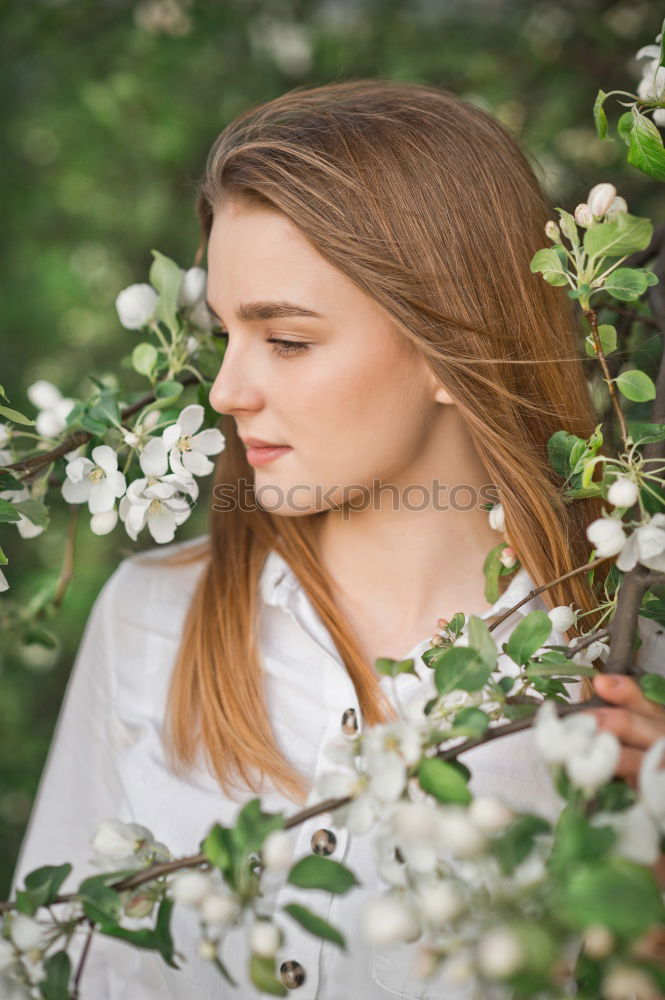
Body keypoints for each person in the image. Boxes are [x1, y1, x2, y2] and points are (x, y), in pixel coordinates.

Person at [8, 79, 665, 999]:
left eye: (286, 340)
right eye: (225, 333)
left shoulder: (619, 679)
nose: (226, 390)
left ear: (449, 347)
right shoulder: (154, 620)